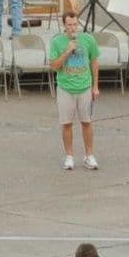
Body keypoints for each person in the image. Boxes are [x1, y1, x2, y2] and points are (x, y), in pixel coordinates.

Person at [49, 11, 101, 170]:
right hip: (65, 87)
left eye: (75, 24)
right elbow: (54, 66)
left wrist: (95, 86)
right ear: (64, 25)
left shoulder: (88, 39)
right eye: (69, 25)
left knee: (87, 122)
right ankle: (69, 156)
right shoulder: (57, 42)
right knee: (67, 124)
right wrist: (67, 51)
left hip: (84, 86)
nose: (73, 28)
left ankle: (89, 155)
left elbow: (95, 62)